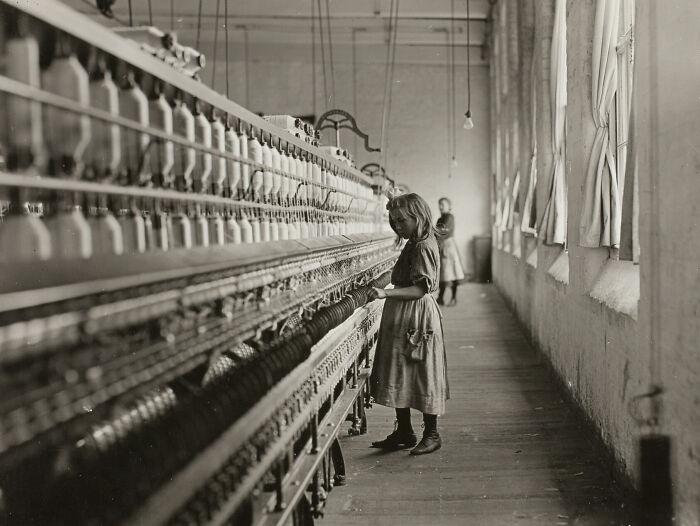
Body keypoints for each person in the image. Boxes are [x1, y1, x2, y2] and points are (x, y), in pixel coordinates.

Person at [367, 193, 449, 455]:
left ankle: (432, 434)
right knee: (400, 369)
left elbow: (420, 290)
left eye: (402, 221)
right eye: (394, 222)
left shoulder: (424, 245)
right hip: (404, 314)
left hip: (416, 314)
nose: (398, 227)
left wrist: (384, 293)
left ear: (418, 216)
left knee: (422, 371)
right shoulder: (415, 241)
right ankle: (404, 431)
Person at [436, 197, 465, 306]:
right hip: (442, 246)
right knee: (443, 273)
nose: (440, 206)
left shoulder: (449, 217)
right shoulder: (440, 219)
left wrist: (433, 232)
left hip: (449, 247)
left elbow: (443, 231)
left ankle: (453, 298)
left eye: (443, 204)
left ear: (449, 206)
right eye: (439, 204)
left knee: (452, 273)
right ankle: (441, 298)